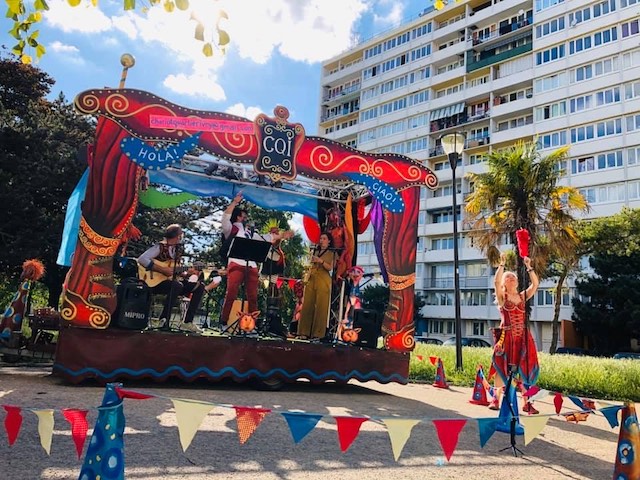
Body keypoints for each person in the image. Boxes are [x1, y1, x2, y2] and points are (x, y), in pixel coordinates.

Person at [220, 192, 293, 327]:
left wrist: (283, 235)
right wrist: (235, 202)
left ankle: (252, 325)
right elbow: (225, 217)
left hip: (252, 265)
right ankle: (224, 322)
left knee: (253, 296)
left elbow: (268, 238)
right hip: (236, 263)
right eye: (244, 216)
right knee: (231, 293)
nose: (246, 218)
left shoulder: (252, 233)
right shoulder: (232, 229)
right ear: (238, 216)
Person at [137, 224, 220, 333]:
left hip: (169, 282)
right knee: (177, 285)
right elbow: (142, 259)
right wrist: (161, 270)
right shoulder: (160, 247)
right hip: (153, 282)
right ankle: (163, 319)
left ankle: (187, 322)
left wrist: (188, 273)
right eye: (181, 234)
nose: (182, 236)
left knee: (199, 287)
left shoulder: (177, 251)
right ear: (177, 236)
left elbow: (176, 272)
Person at [488, 251, 540, 414]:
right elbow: (496, 282)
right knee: (501, 366)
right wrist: (502, 264)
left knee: (525, 366)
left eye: (513, 277)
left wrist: (529, 267)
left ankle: (528, 402)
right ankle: (496, 398)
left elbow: (535, 285)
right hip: (507, 337)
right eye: (507, 278)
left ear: (517, 282)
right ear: (504, 282)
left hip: (523, 337)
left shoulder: (522, 296)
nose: (511, 279)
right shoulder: (502, 297)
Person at [297, 232, 336, 340]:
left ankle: (318, 334)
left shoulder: (332, 253)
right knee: (307, 305)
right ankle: (303, 332)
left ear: (329, 241)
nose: (322, 240)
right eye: (321, 238)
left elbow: (330, 268)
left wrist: (321, 261)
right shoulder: (315, 250)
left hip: (323, 279)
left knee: (321, 306)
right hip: (312, 277)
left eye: (324, 238)